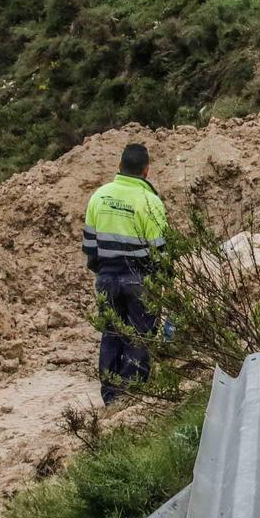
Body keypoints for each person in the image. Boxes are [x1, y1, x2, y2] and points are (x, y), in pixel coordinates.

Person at [83, 142, 168, 403]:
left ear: (119, 166)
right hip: (139, 279)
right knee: (139, 336)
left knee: (111, 332)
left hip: (106, 277)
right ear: (146, 171)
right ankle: (132, 395)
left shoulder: (99, 196)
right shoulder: (150, 202)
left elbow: (89, 247)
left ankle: (110, 395)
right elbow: (160, 253)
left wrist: (106, 271)